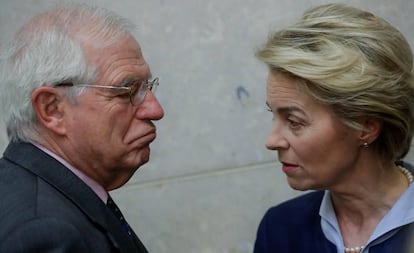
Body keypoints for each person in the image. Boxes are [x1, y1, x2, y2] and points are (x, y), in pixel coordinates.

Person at [0, 4, 164, 253]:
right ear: (52, 110)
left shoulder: (36, 193)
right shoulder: (44, 233)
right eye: (126, 91)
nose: (154, 110)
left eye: (147, 87)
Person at [253, 3, 414, 253]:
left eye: (294, 122)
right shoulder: (280, 230)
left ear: (365, 126)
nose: (272, 140)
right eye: (273, 116)